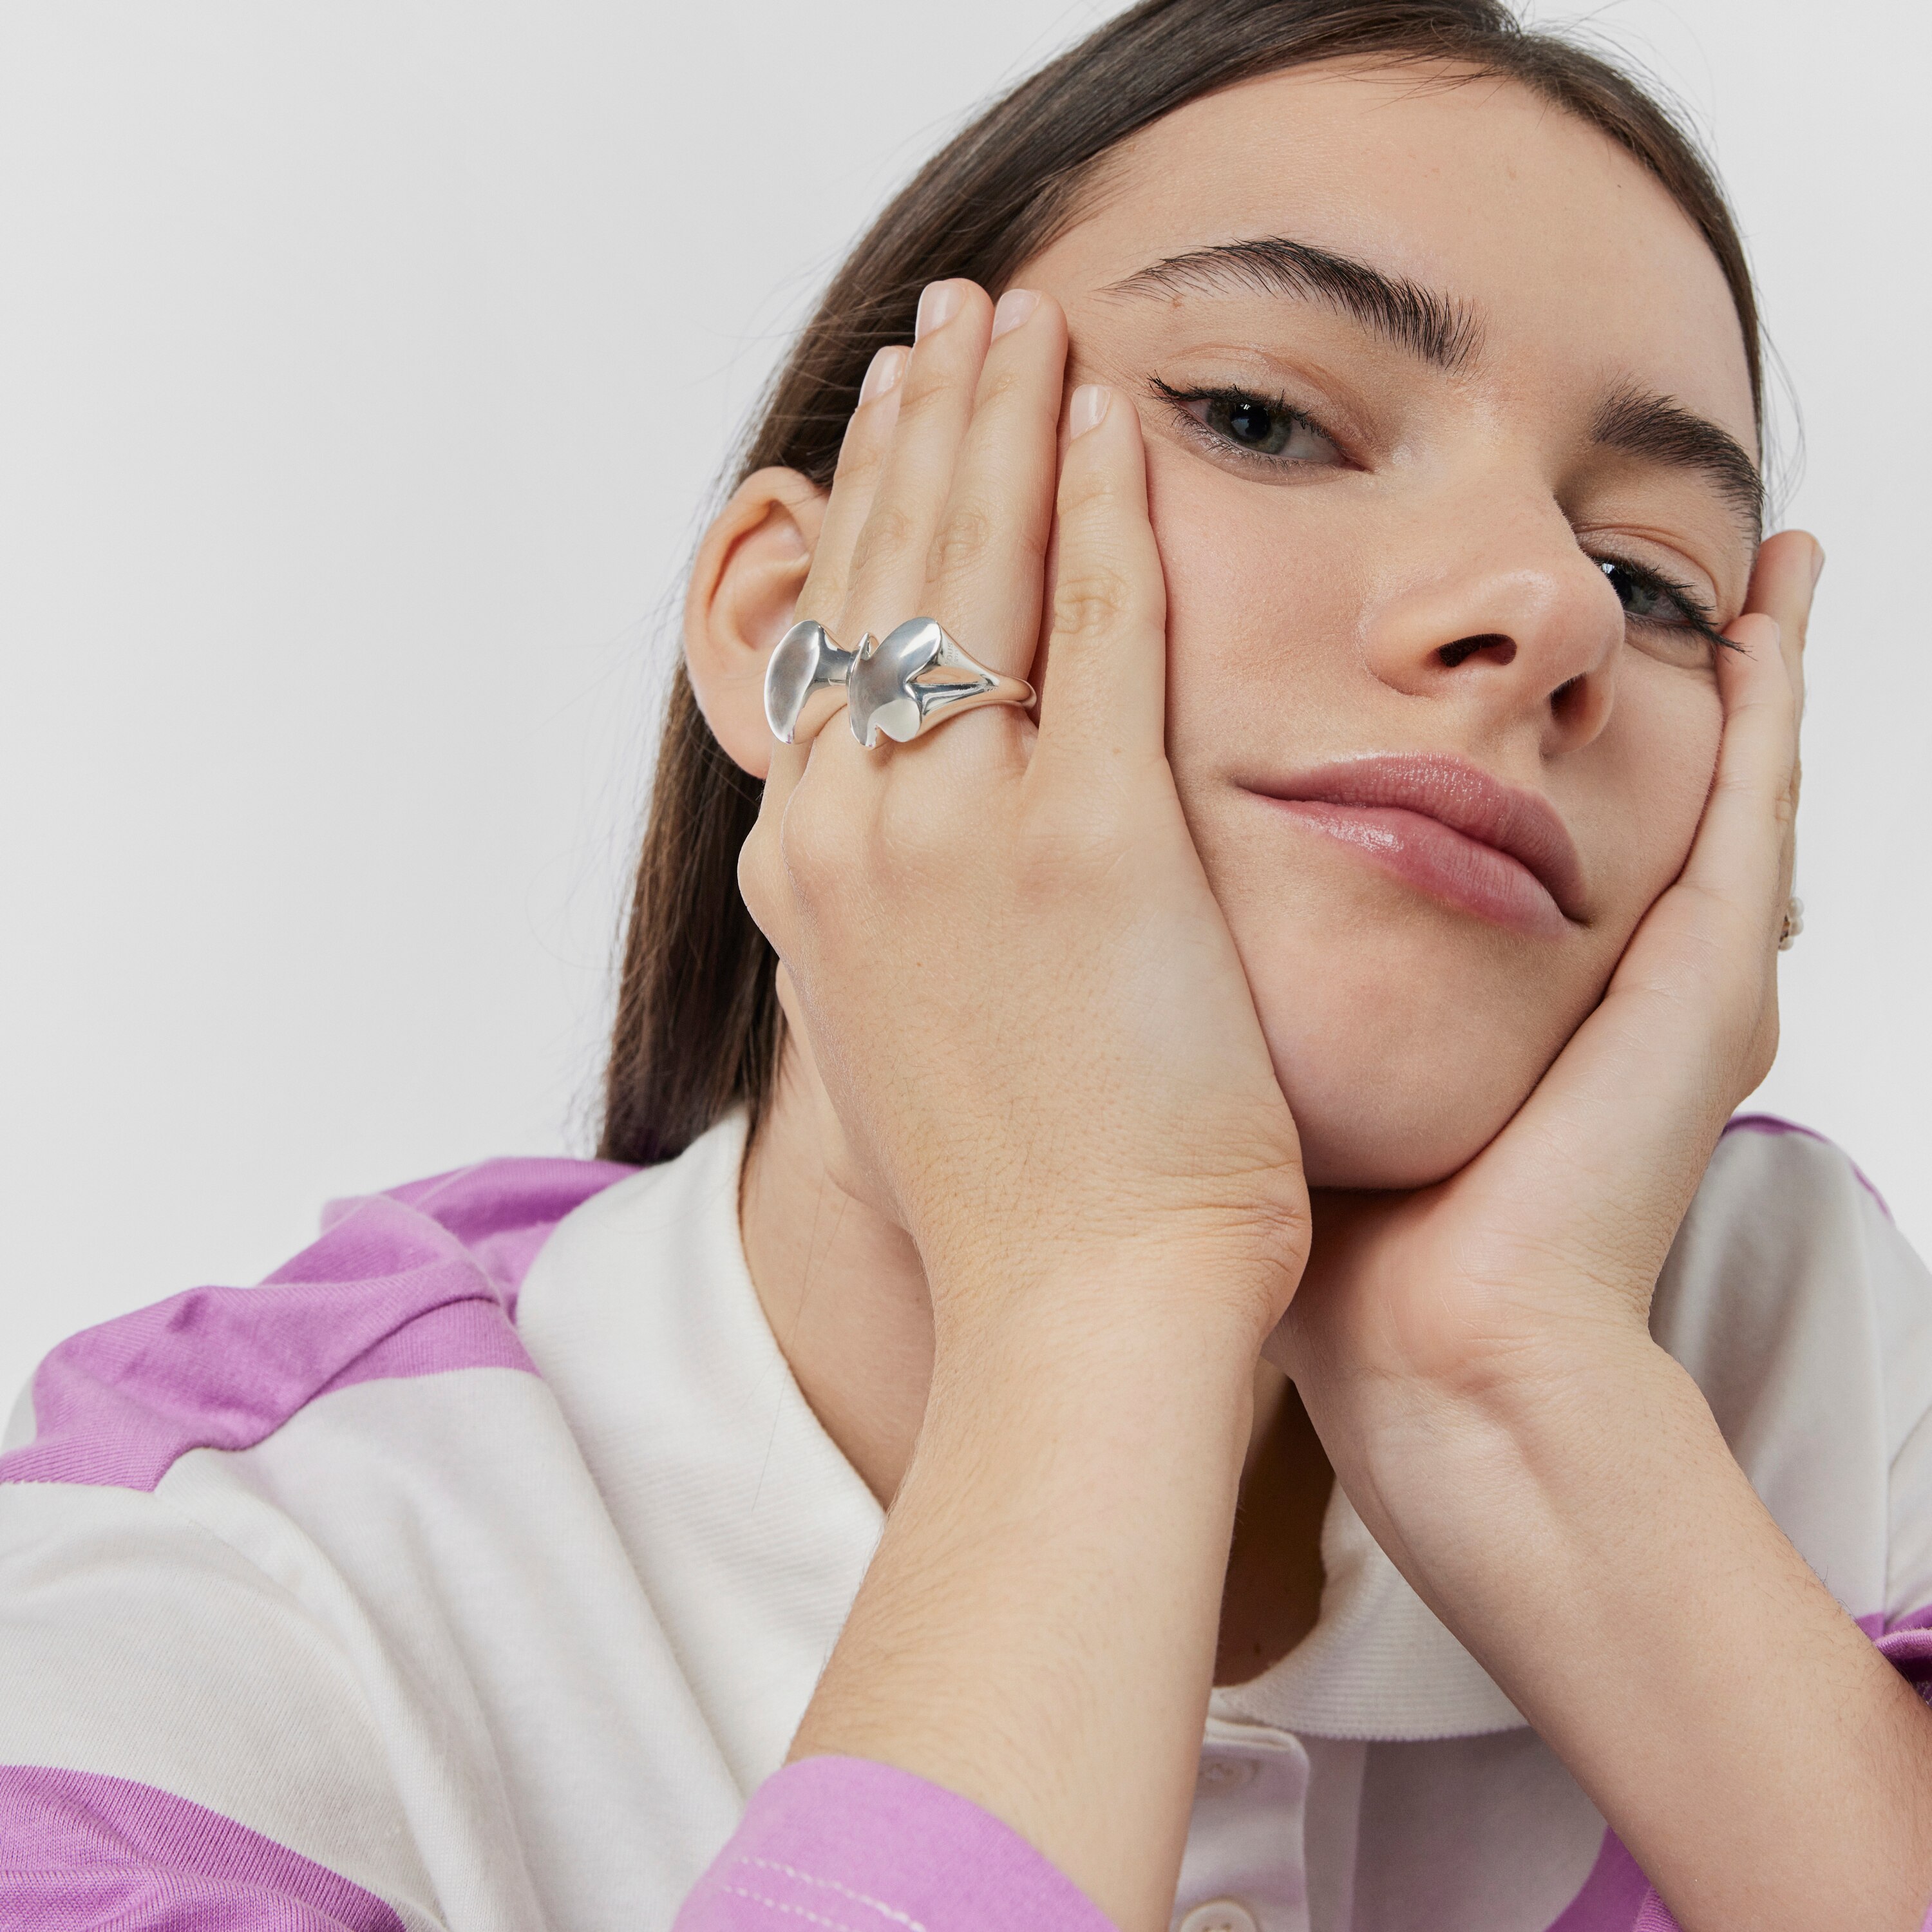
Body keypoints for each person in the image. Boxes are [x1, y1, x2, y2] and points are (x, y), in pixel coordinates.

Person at [4, 3, 1929, 1930]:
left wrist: (1528, 1404)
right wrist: (1106, 1291)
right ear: (798, 625)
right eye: (1261, 416)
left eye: (1655, 582)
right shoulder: (210, 1613)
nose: (1546, 606)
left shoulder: (1805, 1355)